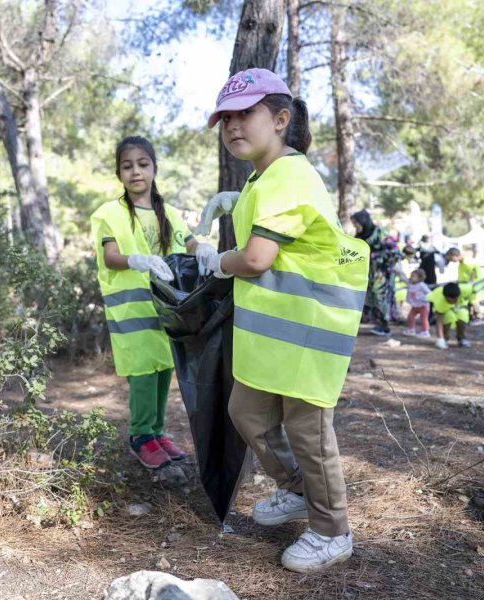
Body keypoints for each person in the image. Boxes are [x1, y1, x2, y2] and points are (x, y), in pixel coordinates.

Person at [195, 68, 369, 573]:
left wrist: (216, 258)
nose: (232, 126)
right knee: (246, 409)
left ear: (280, 118)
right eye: (225, 118)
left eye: (245, 114)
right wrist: (237, 200)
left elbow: (255, 259)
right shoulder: (265, 177)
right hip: (280, 331)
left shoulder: (288, 175)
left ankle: (333, 530)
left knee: (309, 430)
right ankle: (295, 489)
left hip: (312, 325)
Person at [91, 136, 215, 470]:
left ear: (154, 168)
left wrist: (202, 247)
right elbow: (111, 256)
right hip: (133, 311)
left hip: (166, 309)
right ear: (119, 173)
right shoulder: (110, 214)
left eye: (143, 164)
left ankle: (157, 432)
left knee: (162, 370)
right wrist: (137, 260)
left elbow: (188, 243)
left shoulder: (170, 213)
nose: (136, 172)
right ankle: (140, 435)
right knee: (143, 373)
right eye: (127, 166)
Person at [351, 209, 401, 336]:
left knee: (381, 297)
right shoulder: (360, 235)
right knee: (371, 297)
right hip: (369, 273)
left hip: (382, 273)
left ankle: (384, 325)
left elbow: (394, 251)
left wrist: (374, 256)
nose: (355, 227)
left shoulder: (380, 233)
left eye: (356, 223)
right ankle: (377, 323)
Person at [444, 247, 484, 321]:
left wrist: (470, 284)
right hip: (467, 285)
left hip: (473, 286)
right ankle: (471, 317)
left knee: (473, 301)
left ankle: (478, 316)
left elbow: (473, 272)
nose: (451, 261)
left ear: (455, 255)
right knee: (469, 301)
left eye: (451, 259)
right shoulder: (462, 262)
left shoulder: (467, 262)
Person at [426, 281, 473, 349]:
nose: (452, 302)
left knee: (462, 316)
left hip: (460, 306)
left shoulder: (465, 289)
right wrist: (440, 338)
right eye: (449, 300)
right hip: (444, 308)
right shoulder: (439, 301)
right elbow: (439, 321)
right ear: (445, 297)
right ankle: (444, 338)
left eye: (454, 300)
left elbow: (471, 284)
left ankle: (461, 337)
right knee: (448, 317)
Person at [397, 268, 432, 337]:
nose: (411, 277)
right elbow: (404, 279)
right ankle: (411, 329)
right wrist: (399, 272)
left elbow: (429, 294)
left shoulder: (422, 285)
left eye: (413, 276)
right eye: (411, 275)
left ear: (419, 278)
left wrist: (423, 298)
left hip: (423, 306)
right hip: (415, 306)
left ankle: (425, 331)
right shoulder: (410, 283)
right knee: (410, 317)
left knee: (424, 319)